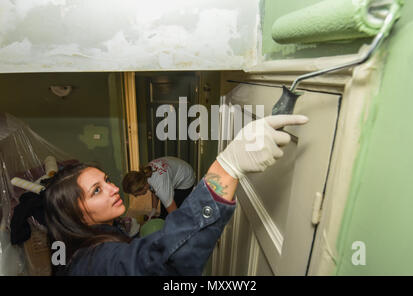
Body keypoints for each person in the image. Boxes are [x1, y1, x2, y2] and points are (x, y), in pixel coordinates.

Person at [43, 114, 308, 275]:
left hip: (187, 178)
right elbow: (160, 261)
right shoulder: (97, 261)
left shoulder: (69, 247)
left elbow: (170, 213)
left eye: (107, 181)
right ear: (76, 214)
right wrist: (227, 168)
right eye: (97, 190)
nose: (113, 189)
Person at [122, 156, 195, 220]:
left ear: (143, 188)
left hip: (186, 178)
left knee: (174, 214)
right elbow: (153, 190)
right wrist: (153, 210)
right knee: (164, 211)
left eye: (136, 194)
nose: (137, 196)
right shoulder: (146, 173)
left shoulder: (161, 188)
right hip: (177, 169)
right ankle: (163, 218)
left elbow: (174, 215)